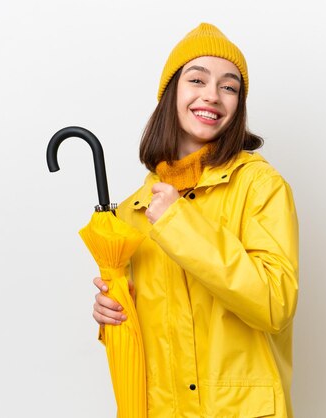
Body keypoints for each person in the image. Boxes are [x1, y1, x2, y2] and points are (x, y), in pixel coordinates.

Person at [92, 22, 299, 417]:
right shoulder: (131, 211)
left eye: (229, 87)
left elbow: (274, 305)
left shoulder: (259, 186)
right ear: (171, 92)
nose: (212, 96)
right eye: (197, 79)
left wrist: (179, 225)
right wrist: (111, 316)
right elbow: (151, 335)